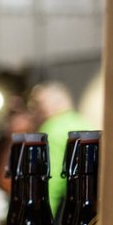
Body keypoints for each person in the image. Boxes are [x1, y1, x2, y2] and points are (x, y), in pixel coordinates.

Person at [28, 81, 93, 213]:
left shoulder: (51, 128)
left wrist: (44, 215)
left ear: (55, 103)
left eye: (41, 105)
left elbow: (51, 180)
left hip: (63, 207)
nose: (38, 111)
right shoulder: (84, 123)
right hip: (87, 202)